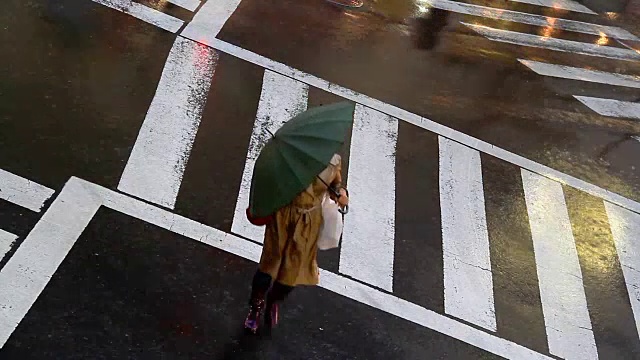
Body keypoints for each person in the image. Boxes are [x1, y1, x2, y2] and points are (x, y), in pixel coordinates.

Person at [244, 154, 349, 334]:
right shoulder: (289, 159)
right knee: (269, 264)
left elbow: (335, 183)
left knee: (292, 271)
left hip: (308, 222)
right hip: (283, 217)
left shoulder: (332, 160)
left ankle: (274, 300)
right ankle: (256, 307)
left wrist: (340, 193)